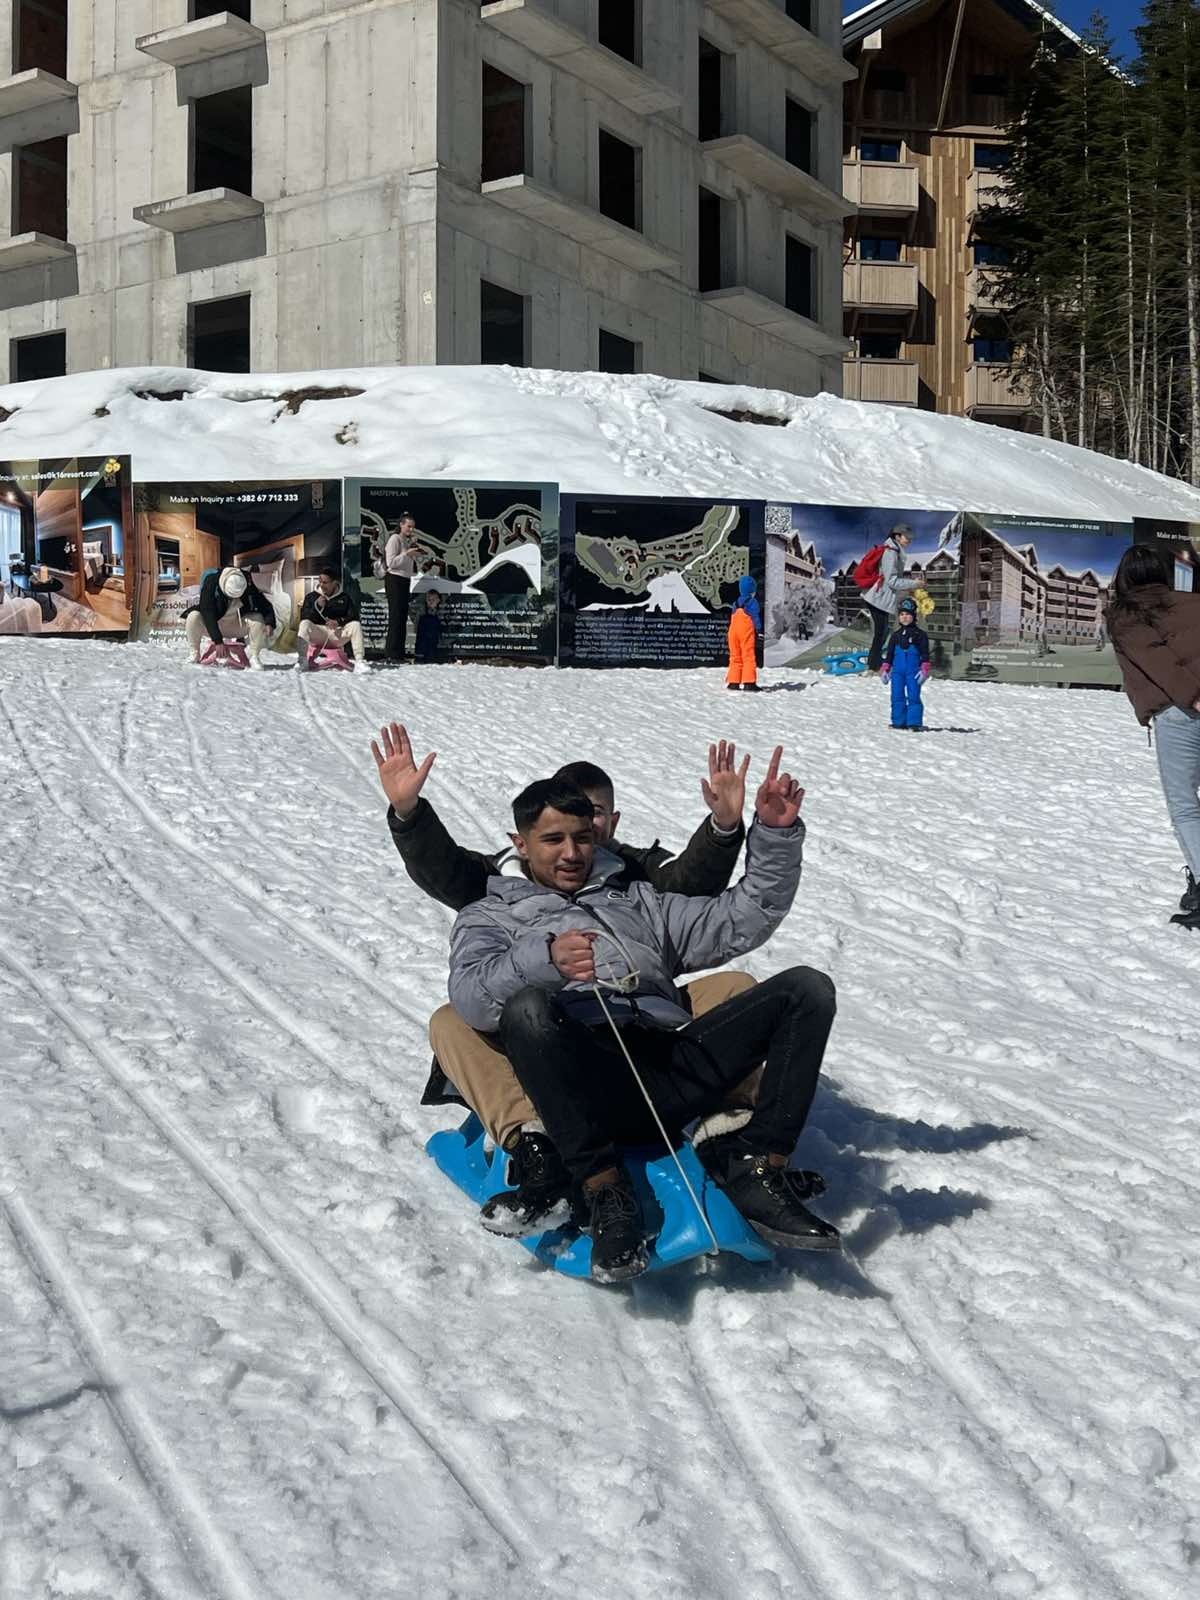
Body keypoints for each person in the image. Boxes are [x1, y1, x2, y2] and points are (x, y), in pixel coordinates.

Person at [446, 755, 838, 1282]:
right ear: (520, 844)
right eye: (553, 840)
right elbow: (471, 997)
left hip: (664, 1061)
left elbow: (741, 918)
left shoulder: (638, 902)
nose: (571, 853)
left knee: (805, 989)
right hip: (581, 1083)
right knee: (527, 1009)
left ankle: (756, 1163)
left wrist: (773, 833)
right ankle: (603, 1189)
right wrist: (545, 961)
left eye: (583, 838)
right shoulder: (488, 916)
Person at [371, 725, 760, 1229]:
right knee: (453, 1020)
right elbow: (447, 870)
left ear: (611, 819)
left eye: (595, 816)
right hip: (552, 1021)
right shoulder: (507, 877)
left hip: (638, 1015)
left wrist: (724, 828)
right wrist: (410, 814)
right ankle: (534, 1139)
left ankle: (734, 1134)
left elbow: (692, 889)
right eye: (562, 827)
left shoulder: (631, 868)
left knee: (738, 991)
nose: (582, 838)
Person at [1106, 544, 1200, 929]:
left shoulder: (1123, 616)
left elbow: (1160, 663)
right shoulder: (1193, 603)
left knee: (1185, 807)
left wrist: (1194, 697)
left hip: (1179, 714)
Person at [184, 566, 274, 670]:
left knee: (257, 618)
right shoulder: (211, 582)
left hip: (236, 625)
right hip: (213, 625)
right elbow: (207, 612)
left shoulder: (246, 582)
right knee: (193, 616)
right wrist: (218, 641)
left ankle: (255, 657)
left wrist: (269, 622)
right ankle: (194, 654)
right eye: (230, 596)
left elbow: (263, 603)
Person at [862, 523, 921, 673]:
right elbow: (892, 581)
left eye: (911, 538)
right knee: (881, 632)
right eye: (907, 537)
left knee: (883, 631)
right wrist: (914, 584)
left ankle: (874, 661)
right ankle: (873, 665)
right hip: (877, 598)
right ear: (897, 536)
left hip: (882, 598)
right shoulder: (891, 553)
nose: (909, 540)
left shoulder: (895, 551)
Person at [297, 566, 370, 674]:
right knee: (304, 624)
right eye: (320, 581)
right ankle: (302, 660)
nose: (321, 585)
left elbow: (354, 615)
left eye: (325, 582)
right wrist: (317, 606)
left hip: (337, 634)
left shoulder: (344, 598)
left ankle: (359, 661)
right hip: (319, 634)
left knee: (355, 625)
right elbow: (305, 616)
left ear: (334, 583)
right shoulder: (311, 597)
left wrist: (339, 622)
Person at [882, 596, 931, 730]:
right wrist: (886, 668)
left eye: (908, 614)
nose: (904, 617)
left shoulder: (920, 634)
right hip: (897, 672)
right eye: (902, 614)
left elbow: (925, 653)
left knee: (913, 695)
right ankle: (899, 722)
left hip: (913, 672)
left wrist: (925, 669)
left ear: (914, 616)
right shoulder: (895, 635)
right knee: (897, 696)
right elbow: (890, 654)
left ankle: (914, 723)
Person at [384, 512, 419, 662]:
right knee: (395, 616)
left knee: (402, 616)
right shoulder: (394, 539)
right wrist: (407, 553)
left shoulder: (405, 540)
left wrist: (412, 552)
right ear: (401, 525)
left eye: (413, 527)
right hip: (394, 580)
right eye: (408, 526)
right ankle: (391, 653)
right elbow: (391, 562)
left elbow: (405, 561)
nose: (411, 529)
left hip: (404, 579)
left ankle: (399, 653)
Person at [726, 574, 762, 692]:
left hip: (733, 632)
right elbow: (755, 617)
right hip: (745, 632)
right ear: (752, 590)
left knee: (735, 656)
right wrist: (759, 629)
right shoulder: (752, 602)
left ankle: (733, 682)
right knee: (748, 655)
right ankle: (749, 682)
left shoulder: (735, 603)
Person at [414, 590, 442, 663]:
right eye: (429, 600)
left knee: (432, 652)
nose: (431, 602)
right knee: (420, 651)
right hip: (422, 637)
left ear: (438, 600)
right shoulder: (422, 610)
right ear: (426, 600)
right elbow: (417, 621)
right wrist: (416, 630)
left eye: (433, 600)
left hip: (433, 638)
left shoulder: (439, 612)